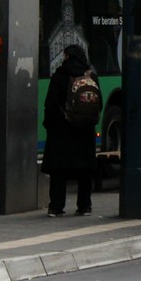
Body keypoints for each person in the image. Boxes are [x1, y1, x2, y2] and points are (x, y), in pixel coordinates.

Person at [42, 44, 100, 217]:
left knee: (58, 170)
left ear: (67, 57)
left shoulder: (59, 76)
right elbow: (99, 104)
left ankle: (56, 207)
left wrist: (50, 125)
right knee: (85, 170)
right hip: (85, 131)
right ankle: (84, 206)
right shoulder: (91, 76)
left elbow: (50, 104)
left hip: (62, 130)